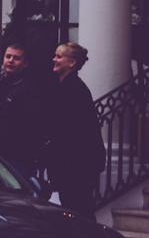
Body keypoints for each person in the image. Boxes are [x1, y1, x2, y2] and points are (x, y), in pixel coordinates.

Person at [42, 42, 104, 212]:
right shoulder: (63, 86)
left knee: (78, 209)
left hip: (76, 166)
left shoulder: (75, 90)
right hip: (70, 165)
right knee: (73, 207)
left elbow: (73, 132)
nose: (54, 59)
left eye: (59, 56)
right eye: (55, 55)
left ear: (72, 62)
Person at [0, 42, 46, 180]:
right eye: (8, 56)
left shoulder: (31, 89)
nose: (10, 61)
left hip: (18, 156)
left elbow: (32, 124)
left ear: (25, 63)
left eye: (16, 58)